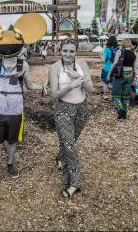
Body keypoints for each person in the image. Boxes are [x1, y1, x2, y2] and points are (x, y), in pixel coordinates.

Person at [0, 13, 47, 184]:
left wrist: (42, 87)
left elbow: (29, 85)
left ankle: (10, 165)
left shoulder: (23, 64)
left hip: (15, 109)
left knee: (12, 142)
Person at [48, 38, 93, 199]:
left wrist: (79, 76)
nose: (68, 54)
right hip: (63, 110)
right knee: (70, 147)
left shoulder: (82, 64)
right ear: (60, 51)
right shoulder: (55, 67)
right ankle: (74, 183)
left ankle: (60, 158)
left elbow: (90, 89)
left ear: (76, 52)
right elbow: (54, 94)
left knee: (68, 143)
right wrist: (71, 86)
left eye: (71, 51)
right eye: (65, 50)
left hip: (82, 110)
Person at [107, 39, 138, 119]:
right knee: (125, 95)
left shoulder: (119, 52)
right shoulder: (135, 53)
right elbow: (135, 67)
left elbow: (114, 63)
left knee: (115, 94)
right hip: (130, 75)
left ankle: (120, 110)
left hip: (120, 74)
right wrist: (137, 80)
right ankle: (125, 112)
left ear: (123, 44)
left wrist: (108, 74)